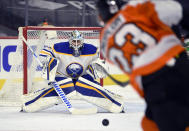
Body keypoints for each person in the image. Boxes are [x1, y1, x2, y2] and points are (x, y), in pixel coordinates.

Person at [96, 0, 189, 131]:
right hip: (174, 66)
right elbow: (176, 11)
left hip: (152, 87)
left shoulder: (104, 41)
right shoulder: (135, 8)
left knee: (150, 124)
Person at [21, 30, 124, 113]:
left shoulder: (91, 50)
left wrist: (99, 67)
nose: (75, 44)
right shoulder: (60, 47)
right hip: (62, 76)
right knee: (67, 88)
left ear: (82, 41)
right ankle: (29, 103)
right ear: (69, 41)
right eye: (73, 41)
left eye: (78, 41)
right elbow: (45, 53)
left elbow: (101, 61)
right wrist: (46, 62)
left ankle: (116, 105)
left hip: (83, 76)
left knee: (84, 86)